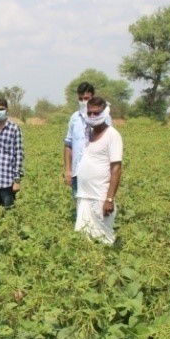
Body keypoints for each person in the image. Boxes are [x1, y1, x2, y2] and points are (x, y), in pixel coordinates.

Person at [74, 97, 123, 245]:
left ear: (105, 113)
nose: (93, 116)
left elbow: (116, 169)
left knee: (104, 238)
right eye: (90, 113)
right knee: (83, 237)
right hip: (84, 195)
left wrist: (109, 199)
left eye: (97, 113)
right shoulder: (88, 133)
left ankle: (108, 263)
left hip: (100, 197)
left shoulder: (112, 135)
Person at [63, 82, 112, 198]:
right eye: (80, 99)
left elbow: (109, 146)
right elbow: (68, 145)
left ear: (92, 97)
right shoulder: (74, 118)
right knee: (79, 208)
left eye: (86, 98)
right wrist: (68, 170)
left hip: (96, 175)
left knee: (96, 209)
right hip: (77, 174)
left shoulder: (104, 118)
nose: (83, 102)